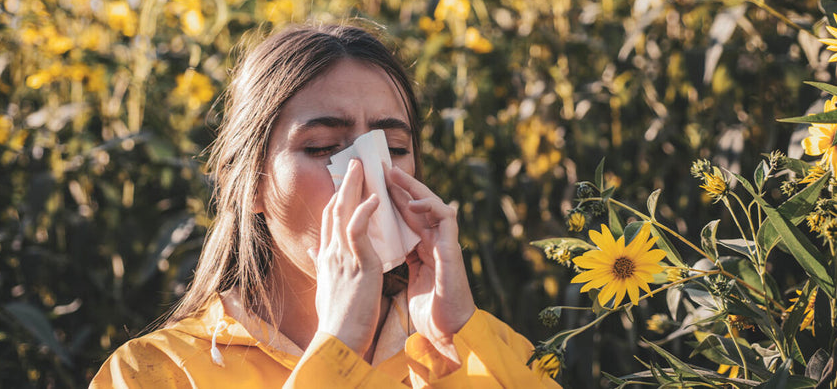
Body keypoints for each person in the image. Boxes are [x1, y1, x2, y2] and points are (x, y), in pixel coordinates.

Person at [90, 23, 561, 388]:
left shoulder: (488, 348)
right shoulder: (154, 372)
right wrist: (337, 348)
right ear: (249, 183)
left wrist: (457, 336)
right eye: (322, 149)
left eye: (393, 148)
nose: (367, 178)